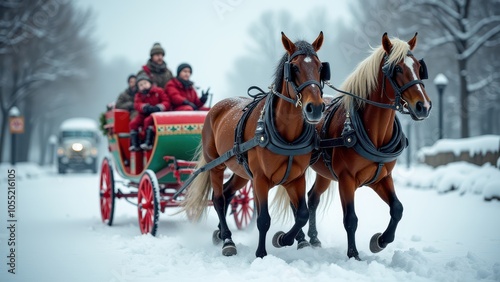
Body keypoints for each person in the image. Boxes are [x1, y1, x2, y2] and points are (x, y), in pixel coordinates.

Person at [129, 73, 171, 151]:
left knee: (148, 121)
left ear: (150, 83)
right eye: (141, 85)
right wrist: (144, 107)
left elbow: (166, 101)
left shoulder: (158, 91)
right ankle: (135, 144)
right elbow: (137, 104)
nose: (143, 86)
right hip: (144, 113)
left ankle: (148, 142)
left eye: (145, 83)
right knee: (133, 123)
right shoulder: (139, 95)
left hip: (157, 114)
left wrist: (159, 107)